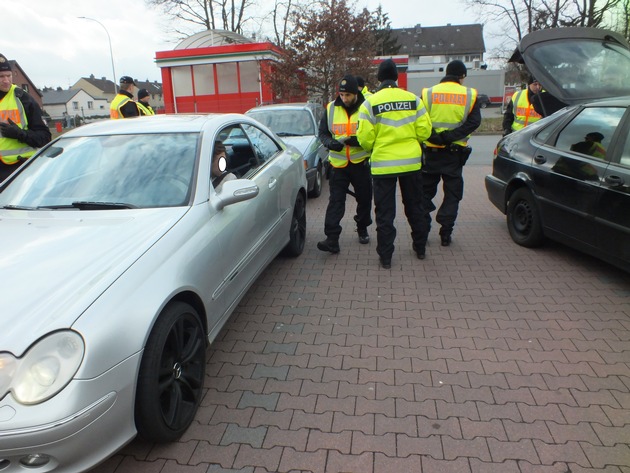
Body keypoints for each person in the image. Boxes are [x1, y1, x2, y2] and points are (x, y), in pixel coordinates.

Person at [357, 59, 432, 269]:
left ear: (379, 78)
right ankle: (420, 248)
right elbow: (425, 132)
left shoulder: (369, 103)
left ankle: (386, 257)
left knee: (385, 214)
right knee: (415, 208)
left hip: (383, 166)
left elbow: (364, 138)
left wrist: (374, 148)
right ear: (397, 78)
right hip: (411, 165)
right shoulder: (414, 100)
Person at [420, 59, 481, 249]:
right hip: (454, 154)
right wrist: (449, 137)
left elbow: (419, 121)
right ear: (462, 76)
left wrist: (436, 137)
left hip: (431, 153)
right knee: (452, 194)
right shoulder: (469, 94)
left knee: (424, 194)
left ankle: (422, 232)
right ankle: (445, 233)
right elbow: (473, 123)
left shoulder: (428, 93)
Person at [317, 74, 373, 254]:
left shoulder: (366, 107)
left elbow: (373, 135)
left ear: (356, 92)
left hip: (360, 163)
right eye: (342, 95)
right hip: (338, 165)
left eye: (348, 95)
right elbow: (323, 133)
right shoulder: (331, 108)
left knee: (364, 199)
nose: (344, 98)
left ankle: (362, 228)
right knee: (336, 202)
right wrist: (329, 143)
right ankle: (332, 239)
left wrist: (356, 141)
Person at [0, 53, 51, 182]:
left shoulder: (23, 98)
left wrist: (20, 134)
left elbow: (45, 137)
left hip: (18, 171)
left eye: (9, 76)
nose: (6, 80)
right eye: (1, 76)